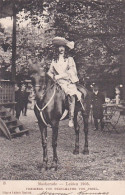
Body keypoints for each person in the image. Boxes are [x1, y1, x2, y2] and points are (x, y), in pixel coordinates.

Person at [47, 37, 83, 127]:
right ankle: (47, 114)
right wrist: (52, 76)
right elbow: (49, 72)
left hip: (67, 82)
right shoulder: (54, 60)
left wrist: (60, 76)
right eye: (59, 47)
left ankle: (71, 117)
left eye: (63, 47)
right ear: (57, 49)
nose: (61, 49)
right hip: (57, 82)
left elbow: (72, 72)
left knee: (71, 94)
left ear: (65, 48)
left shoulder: (69, 59)